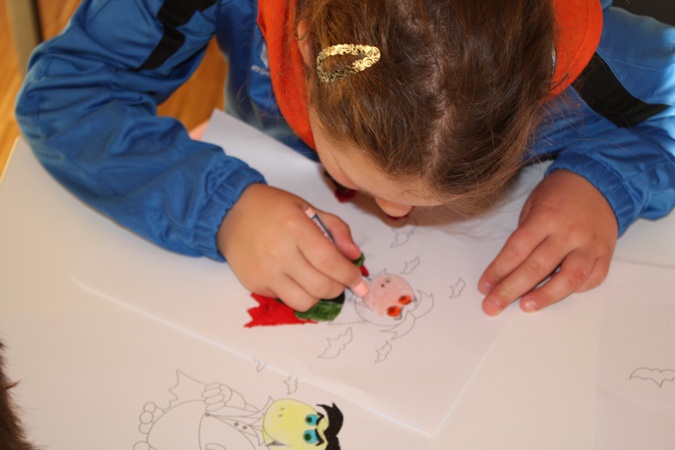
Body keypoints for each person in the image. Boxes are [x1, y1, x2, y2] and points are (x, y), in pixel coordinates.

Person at [15, 0, 675, 317]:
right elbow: (66, 94)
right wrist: (222, 208)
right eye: (357, 176)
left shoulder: (593, 51)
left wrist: (604, 182)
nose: (393, 215)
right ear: (306, 50)